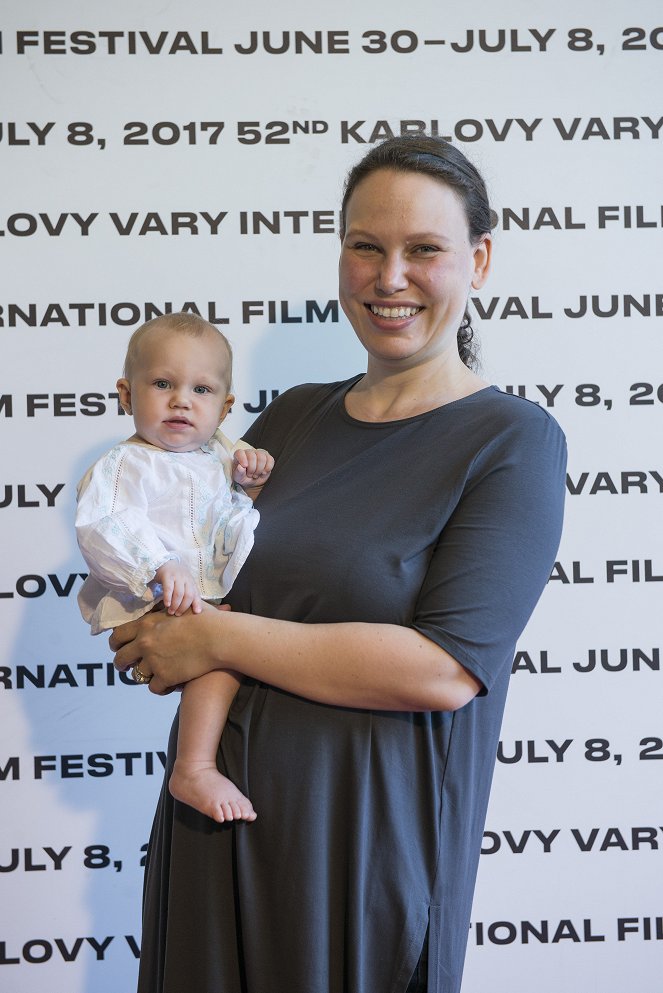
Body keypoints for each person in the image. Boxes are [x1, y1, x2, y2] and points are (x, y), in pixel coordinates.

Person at [111, 136, 567, 993]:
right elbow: (193, 573)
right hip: (212, 823)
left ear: (478, 260)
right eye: (365, 245)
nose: (388, 276)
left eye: (422, 249)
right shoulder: (283, 423)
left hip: (361, 853)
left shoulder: (511, 440)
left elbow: (443, 669)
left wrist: (214, 640)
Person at [76, 312, 273, 823]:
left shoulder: (221, 457)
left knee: (230, 653)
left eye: (202, 390)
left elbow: (233, 519)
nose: (182, 399)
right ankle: (193, 766)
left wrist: (252, 484)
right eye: (162, 384)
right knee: (221, 654)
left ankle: (201, 761)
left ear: (226, 408)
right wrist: (159, 564)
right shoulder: (123, 465)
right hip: (149, 596)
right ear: (126, 394)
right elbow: (103, 527)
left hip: (199, 593)